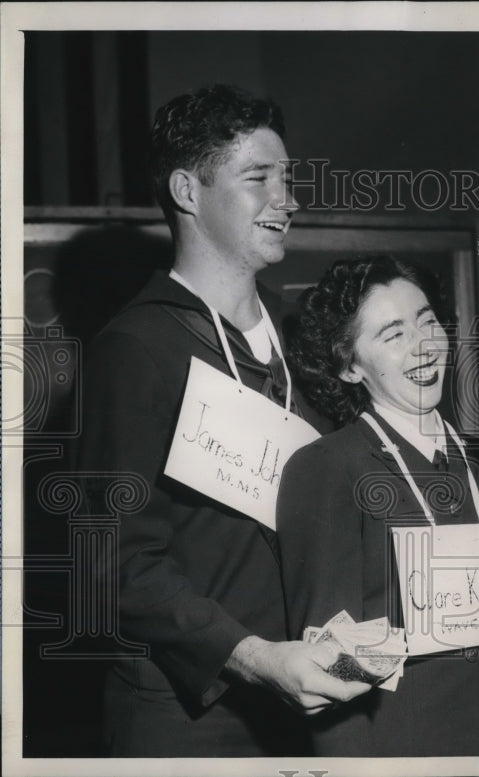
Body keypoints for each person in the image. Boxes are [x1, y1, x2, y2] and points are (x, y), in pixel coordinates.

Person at [76, 84, 369, 757]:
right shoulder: (136, 348)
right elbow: (112, 565)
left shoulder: (301, 343)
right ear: (188, 191)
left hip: (310, 705)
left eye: (287, 178)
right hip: (189, 721)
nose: (286, 199)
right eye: (258, 177)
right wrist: (254, 657)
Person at [277, 256, 479, 756]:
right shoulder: (328, 468)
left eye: (427, 321)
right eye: (394, 334)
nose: (424, 345)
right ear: (349, 366)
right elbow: (330, 675)